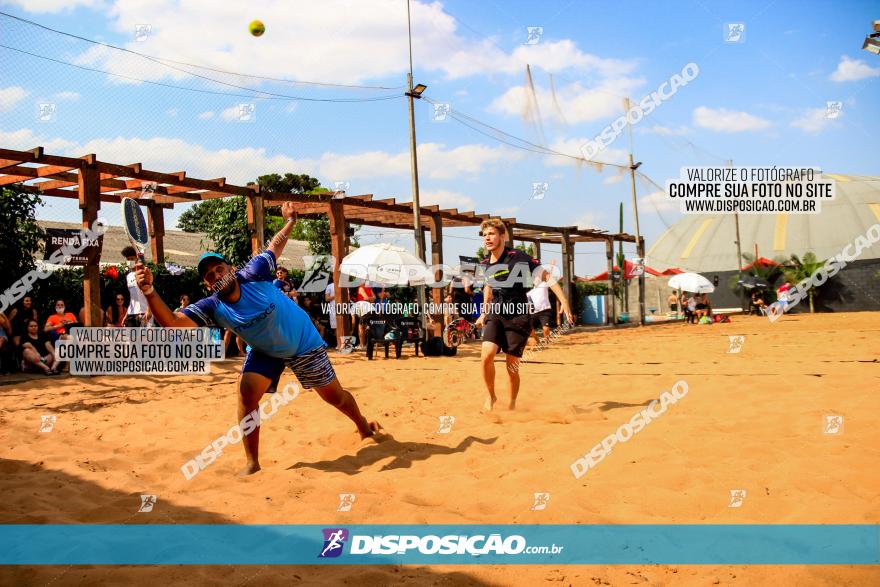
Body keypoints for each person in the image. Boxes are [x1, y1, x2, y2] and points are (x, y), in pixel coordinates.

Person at [135, 201, 380, 476]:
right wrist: (149, 291)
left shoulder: (254, 271)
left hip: (303, 342)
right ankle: (252, 464)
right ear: (207, 285)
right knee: (246, 392)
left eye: (219, 269)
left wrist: (290, 221)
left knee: (335, 398)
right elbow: (173, 324)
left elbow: (275, 246)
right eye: (210, 275)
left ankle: (362, 426)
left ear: (229, 268)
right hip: (266, 350)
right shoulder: (212, 305)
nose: (216, 275)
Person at [475, 219, 573, 411]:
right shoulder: (485, 264)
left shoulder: (518, 257)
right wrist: (483, 314)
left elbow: (546, 276)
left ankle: (511, 404)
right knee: (486, 355)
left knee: (511, 367)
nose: (488, 238)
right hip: (496, 313)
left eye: (492, 233)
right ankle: (491, 396)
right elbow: (489, 288)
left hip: (519, 314)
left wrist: (564, 300)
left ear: (502, 236)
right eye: (485, 235)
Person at [122, 246, 152, 327]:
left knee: (145, 339)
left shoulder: (144, 272)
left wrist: (149, 310)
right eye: (128, 259)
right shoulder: (128, 276)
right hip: (131, 314)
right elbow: (132, 297)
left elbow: (150, 293)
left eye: (132, 258)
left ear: (137, 259)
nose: (130, 261)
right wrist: (126, 315)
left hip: (144, 313)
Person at [527, 268, 554, 344]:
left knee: (545, 328)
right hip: (535, 312)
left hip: (545, 311)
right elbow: (523, 297)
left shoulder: (543, 285)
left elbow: (549, 278)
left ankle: (547, 341)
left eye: (537, 278)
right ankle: (537, 340)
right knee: (529, 327)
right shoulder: (531, 292)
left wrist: (551, 267)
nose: (535, 280)